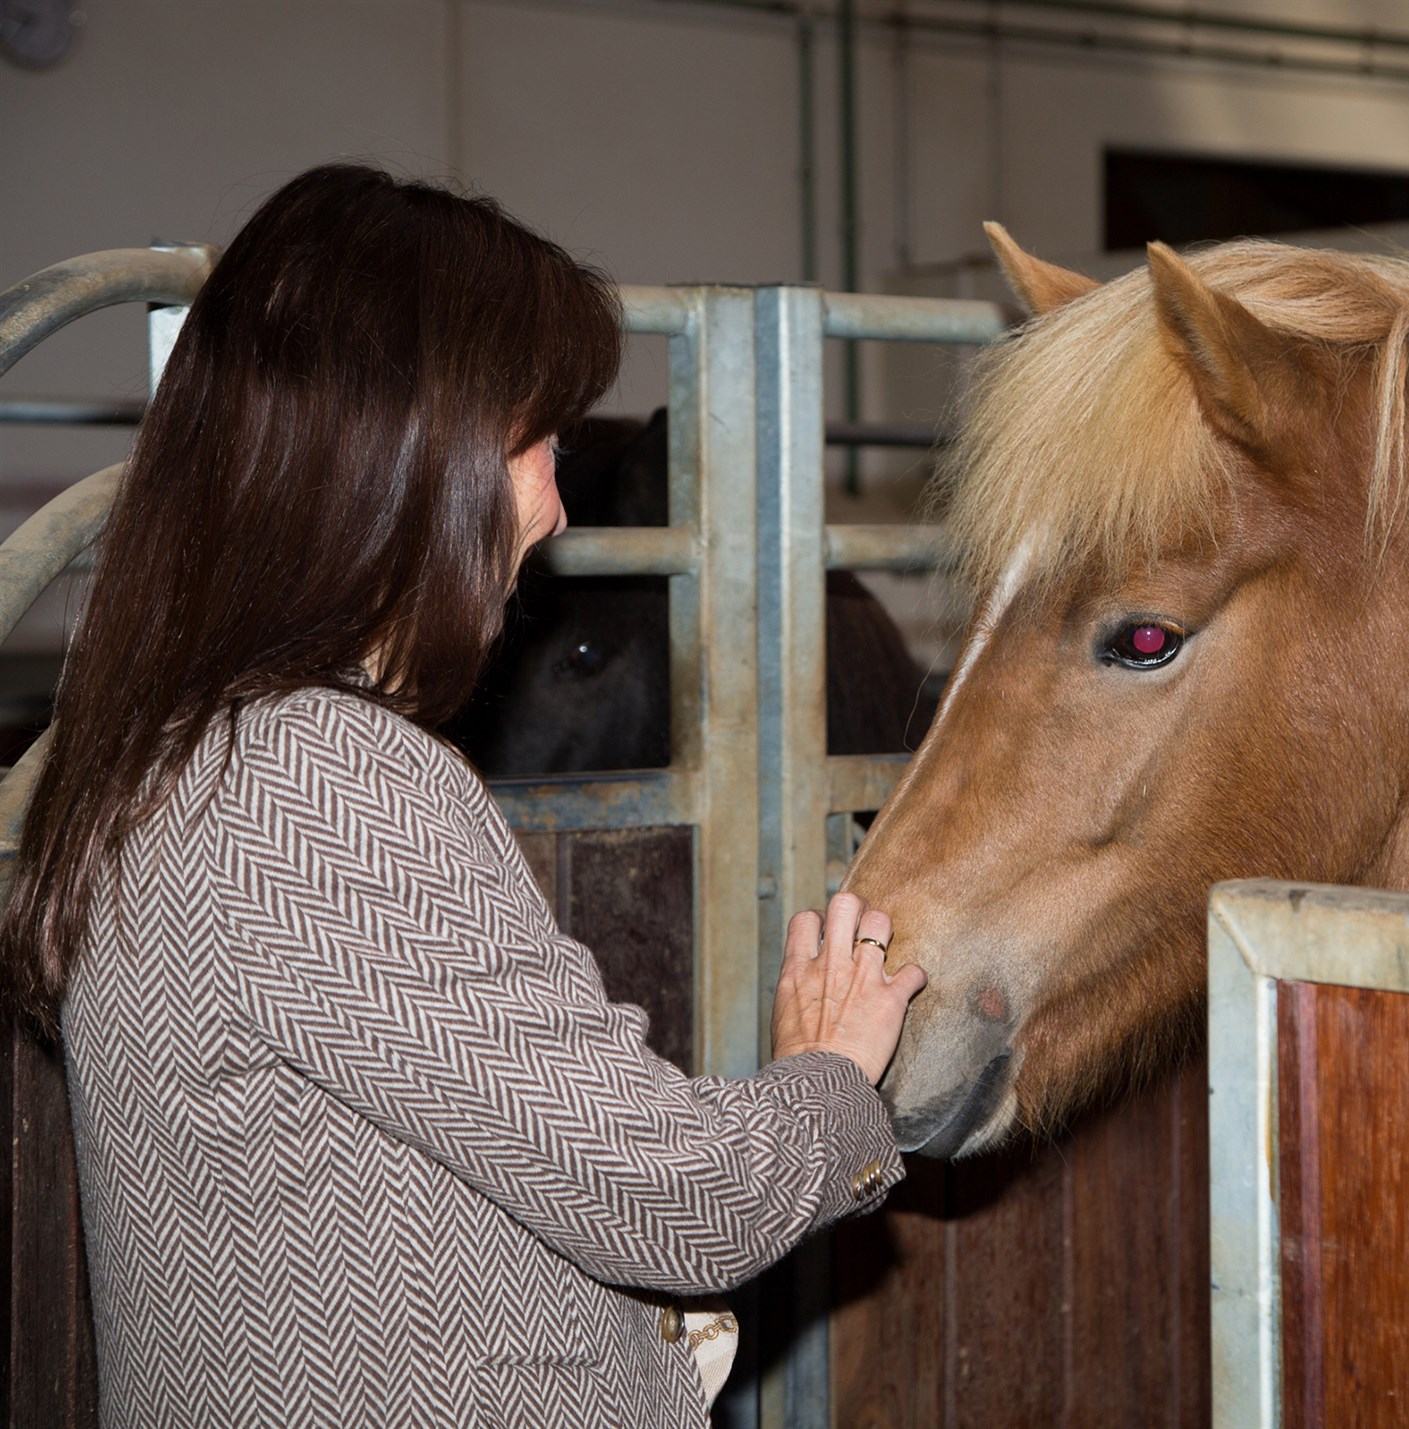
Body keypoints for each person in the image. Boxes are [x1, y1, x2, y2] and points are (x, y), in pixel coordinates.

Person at [0, 163, 926, 1427]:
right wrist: (833, 1073)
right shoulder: (316, 779)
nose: (551, 508)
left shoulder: (170, 745)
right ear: (413, 454)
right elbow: (679, 1199)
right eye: (538, 443)